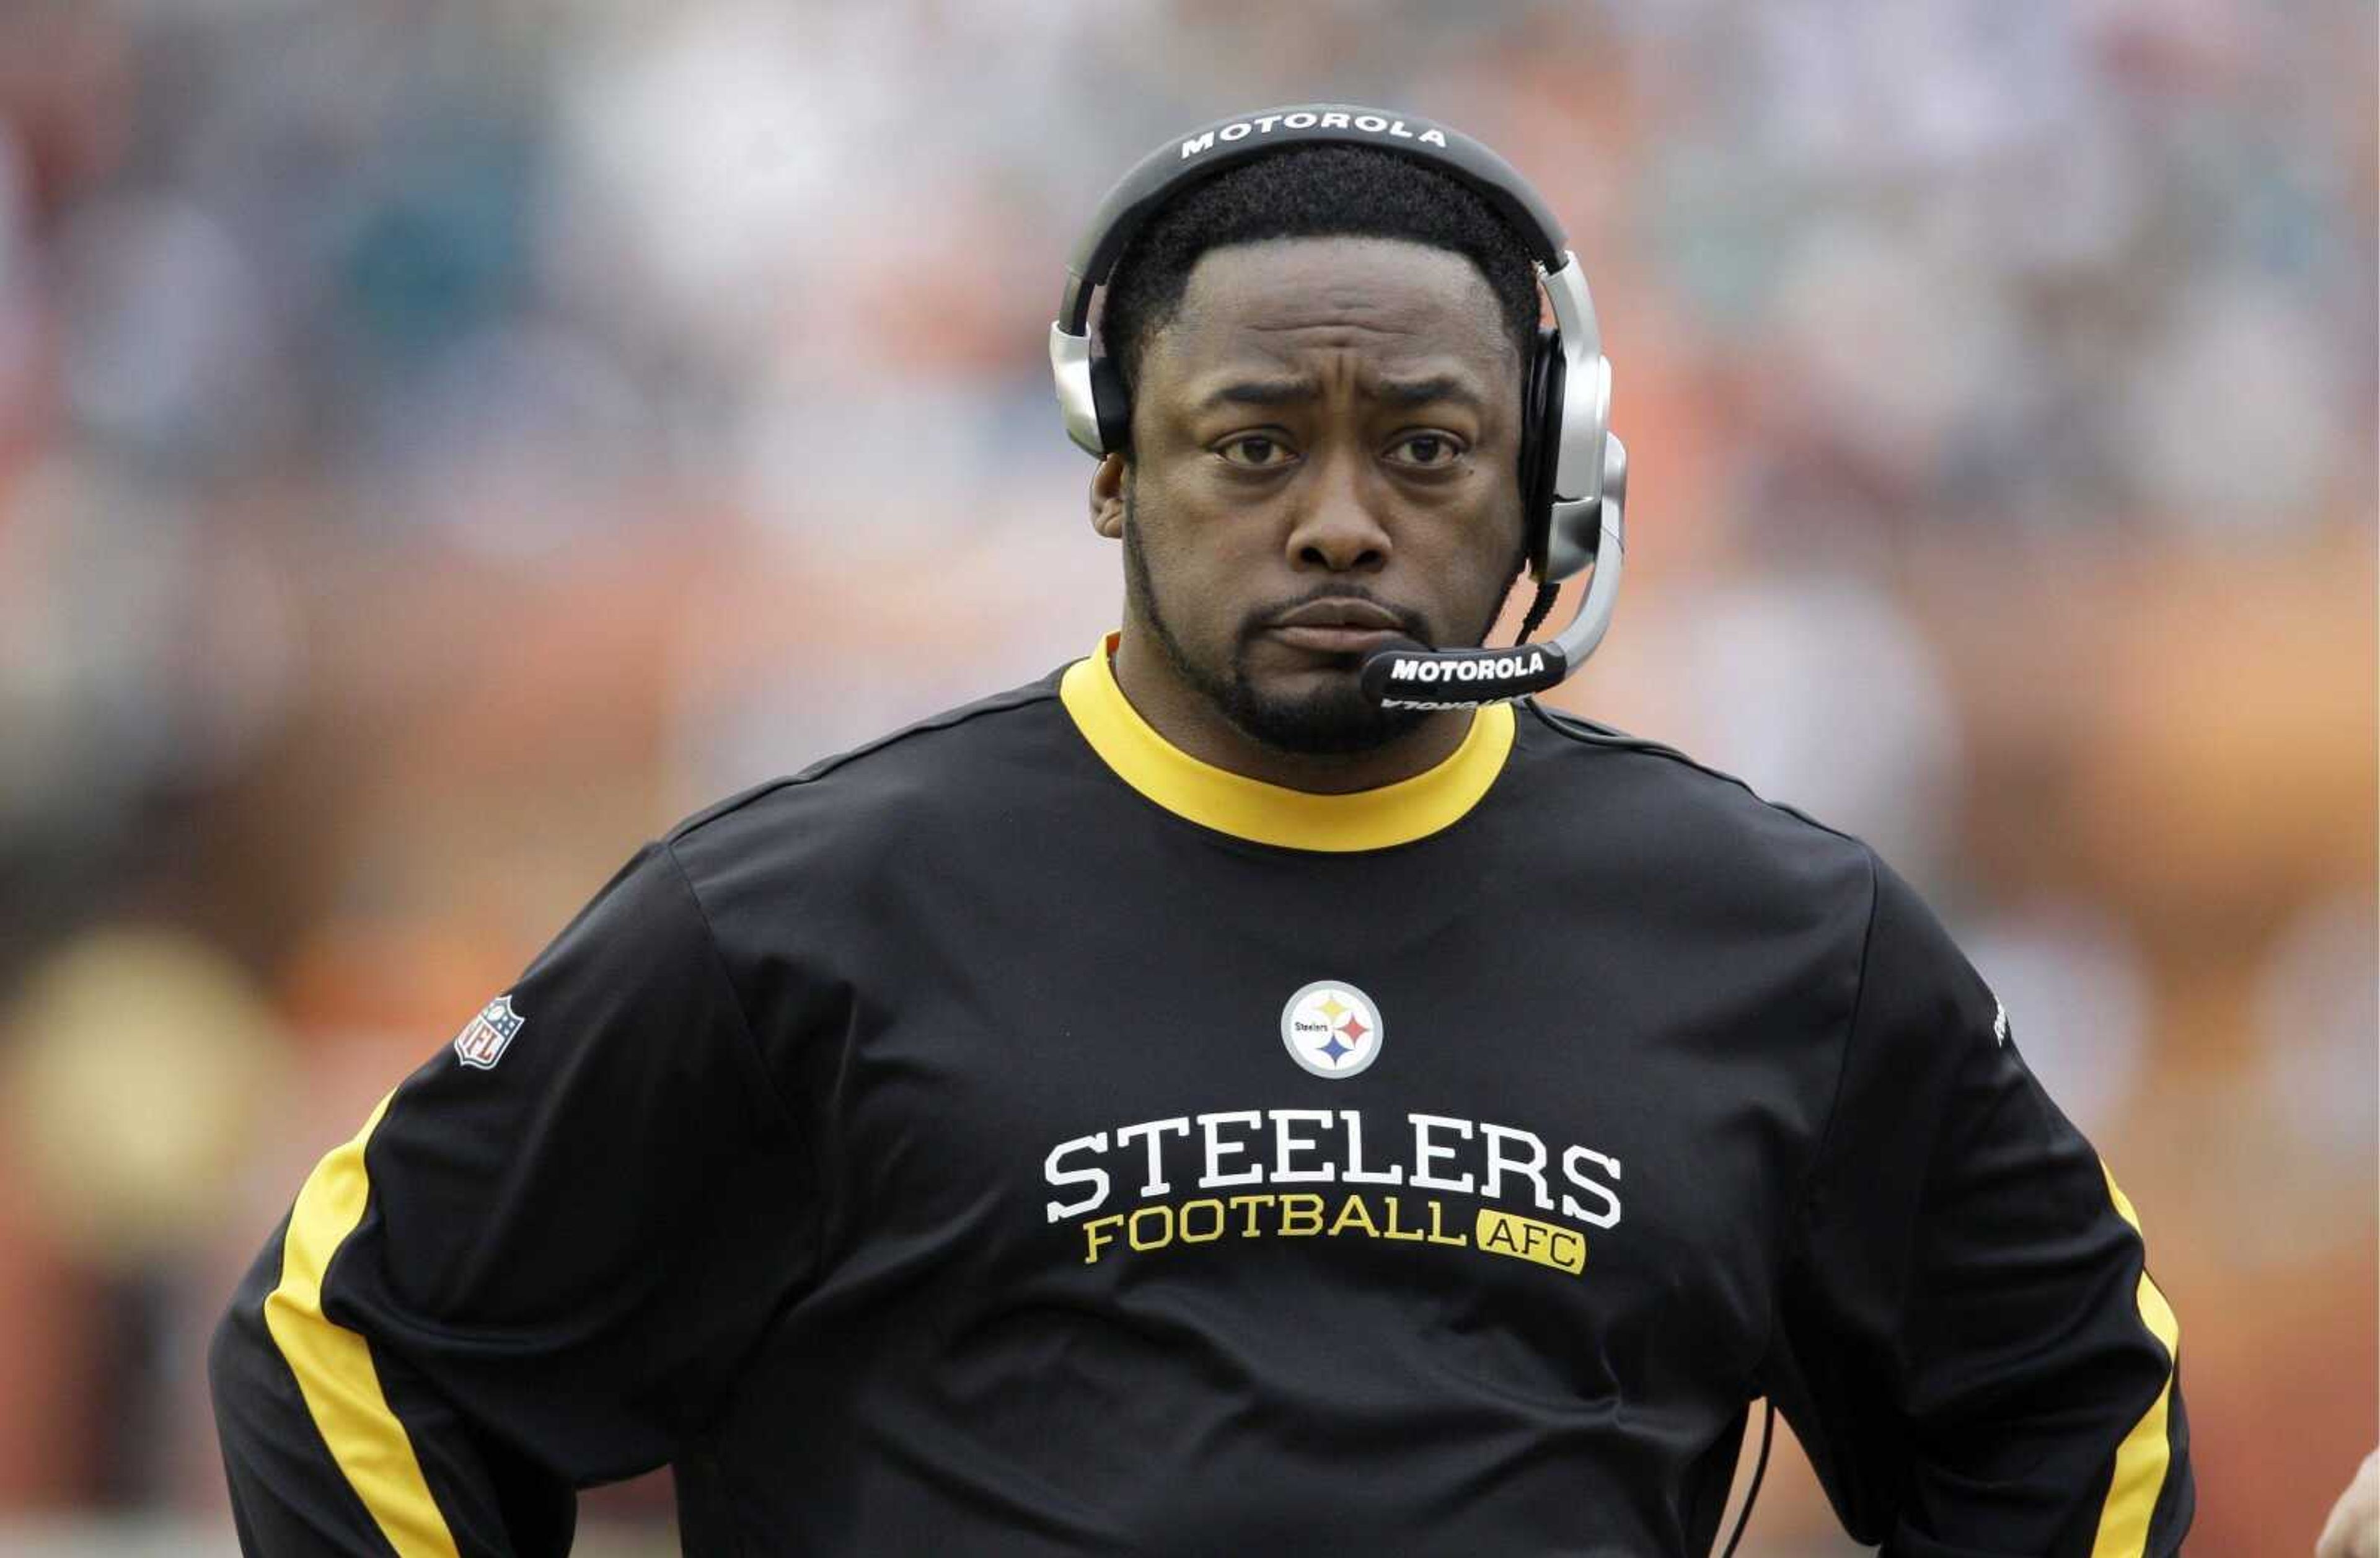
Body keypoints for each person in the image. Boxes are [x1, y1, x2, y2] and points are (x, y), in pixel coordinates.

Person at [209, 105, 2194, 1557]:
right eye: (1254, 444)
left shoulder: (1783, 935)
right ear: (1111, 476)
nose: (1340, 517)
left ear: (1554, 491)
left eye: (1425, 446)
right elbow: (358, 1339)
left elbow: (2070, 1402)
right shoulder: (798, 915)